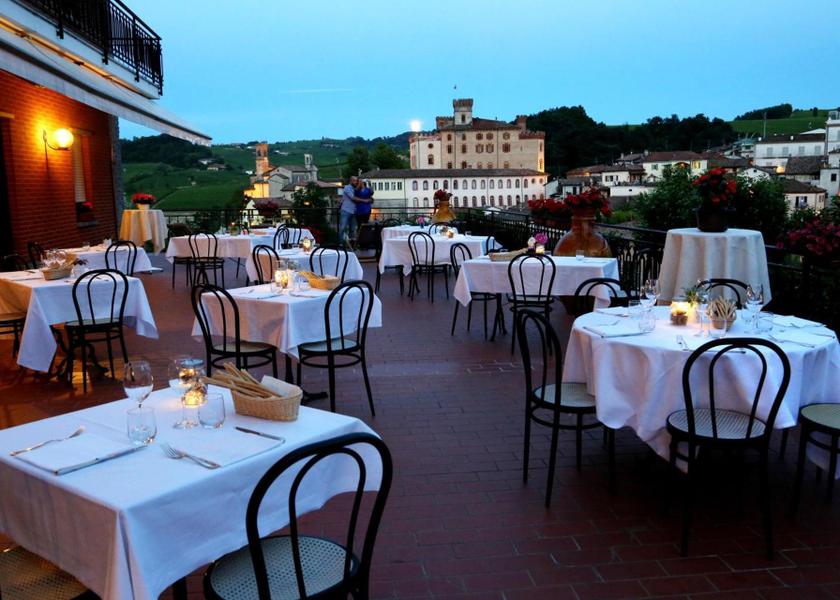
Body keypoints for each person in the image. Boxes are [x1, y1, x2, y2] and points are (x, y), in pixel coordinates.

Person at [338, 176, 364, 247]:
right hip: (346, 210)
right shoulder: (347, 187)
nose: (356, 182)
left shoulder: (357, 188)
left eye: (357, 181)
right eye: (355, 181)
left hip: (354, 211)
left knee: (352, 230)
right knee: (342, 228)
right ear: (351, 181)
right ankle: (340, 245)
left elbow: (363, 194)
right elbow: (353, 198)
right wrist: (364, 200)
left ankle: (351, 246)